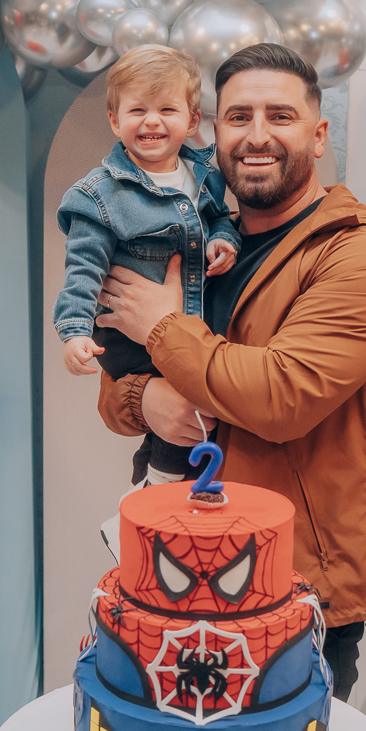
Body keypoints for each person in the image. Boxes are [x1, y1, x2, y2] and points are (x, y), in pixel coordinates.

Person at [93, 43, 366, 700]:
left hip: (294, 588)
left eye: (281, 116)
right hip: (173, 566)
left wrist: (161, 324)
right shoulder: (202, 244)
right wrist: (147, 398)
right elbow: (113, 386)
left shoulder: (365, 253)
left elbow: (279, 398)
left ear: (319, 135)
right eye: (239, 117)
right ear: (214, 135)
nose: (257, 135)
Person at [53, 44, 241, 486]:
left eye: (166, 109)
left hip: (184, 321)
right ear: (114, 120)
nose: (152, 121)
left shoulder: (203, 176)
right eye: (137, 110)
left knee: (198, 404)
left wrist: (223, 241)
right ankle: (157, 486)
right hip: (127, 335)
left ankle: (154, 481)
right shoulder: (101, 195)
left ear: (191, 121)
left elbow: (219, 219)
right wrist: (75, 330)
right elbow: (83, 268)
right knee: (189, 398)